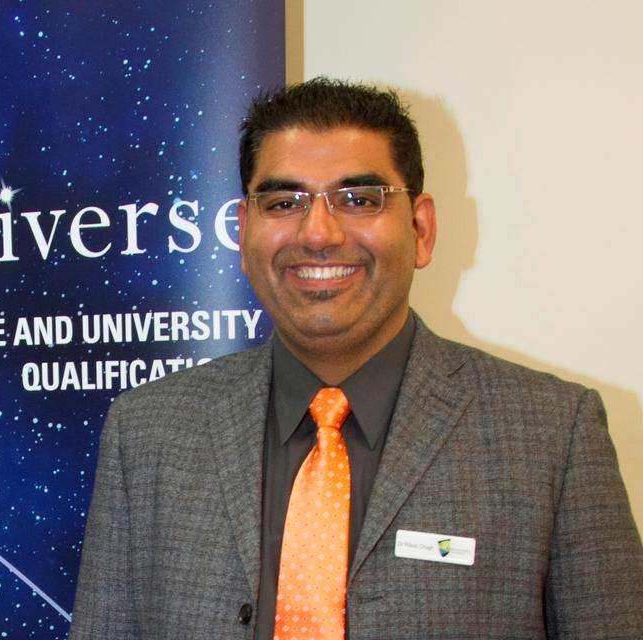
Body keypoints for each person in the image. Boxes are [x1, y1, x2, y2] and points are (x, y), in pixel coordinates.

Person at [68, 77, 643, 640]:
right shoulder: (146, 432)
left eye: (359, 199)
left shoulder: (552, 434)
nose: (318, 233)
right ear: (244, 234)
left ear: (420, 229)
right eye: (284, 201)